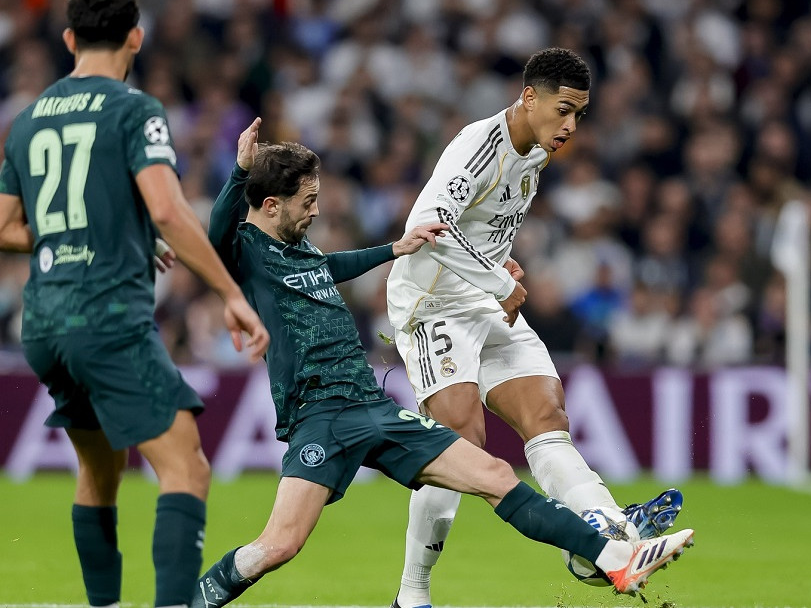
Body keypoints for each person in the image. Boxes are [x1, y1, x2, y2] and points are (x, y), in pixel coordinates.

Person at [192, 119, 694, 608]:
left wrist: (394, 249)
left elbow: (327, 267)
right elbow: (213, 238)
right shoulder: (246, 252)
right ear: (272, 205)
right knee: (279, 545)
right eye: (308, 201)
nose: (317, 210)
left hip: (372, 407)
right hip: (320, 418)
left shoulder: (297, 247)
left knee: (496, 474)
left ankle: (618, 559)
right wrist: (240, 172)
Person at [0, 0, 270, 608]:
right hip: (107, 315)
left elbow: (6, 227)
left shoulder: (27, 119)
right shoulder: (134, 109)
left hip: (44, 322)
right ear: (137, 37)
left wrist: (108, 231)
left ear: (69, 39)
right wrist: (229, 292)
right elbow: (168, 210)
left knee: (98, 472)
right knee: (186, 468)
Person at [385, 46, 683, 608]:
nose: (570, 126)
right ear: (529, 98)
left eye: (579, 115)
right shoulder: (479, 146)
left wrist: (499, 265)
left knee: (547, 417)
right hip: (432, 306)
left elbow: (484, 225)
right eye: (563, 110)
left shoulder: (538, 152)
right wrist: (498, 281)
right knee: (459, 443)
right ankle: (412, 594)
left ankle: (608, 533)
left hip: (487, 299)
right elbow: (429, 225)